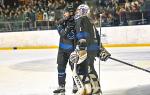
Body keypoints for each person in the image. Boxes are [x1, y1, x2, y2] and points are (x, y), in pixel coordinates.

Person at [69, 4, 111, 95]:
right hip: (92, 50)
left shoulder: (81, 19)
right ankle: (96, 89)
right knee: (90, 69)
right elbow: (97, 37)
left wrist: (81, 47)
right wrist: (100, 49)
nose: (77, 12)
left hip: (85, 50)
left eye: (79, 10)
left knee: (82, 70)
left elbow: (81, 33)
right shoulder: (91, 22)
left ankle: (86, 90)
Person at [53, 4, 78, 95]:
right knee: (60, 68)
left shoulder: (77, 22)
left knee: (74, 69)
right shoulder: (62, 22)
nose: (64, 14)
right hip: (62, 50)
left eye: (66, 12)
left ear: (71, 13)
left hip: (73, 50)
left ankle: (76, 85)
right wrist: (66, 26)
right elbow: (62, 33)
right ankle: (61, 86)